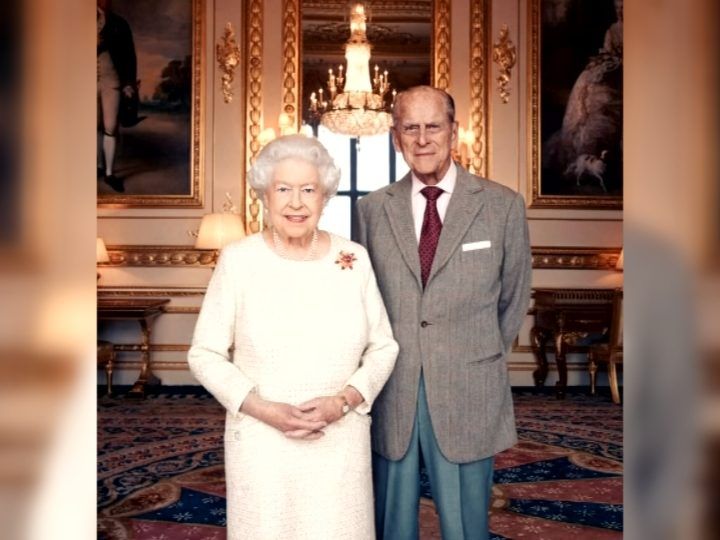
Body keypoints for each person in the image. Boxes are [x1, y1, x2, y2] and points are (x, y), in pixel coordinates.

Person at [188, 134, 398, 539]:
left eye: (308, 190)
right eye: (283, 189)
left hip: (339, 438)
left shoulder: (352, 260)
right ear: (265, 196)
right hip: (261, 440)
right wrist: (263, 408)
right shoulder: (239, 260)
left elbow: (383, 346)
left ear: (325, 197)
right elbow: (205, 353)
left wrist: (344, 401)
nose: (296, 203)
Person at [357, 85, 532, 539]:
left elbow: (513, 299)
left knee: (465, 524)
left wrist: (474, 351)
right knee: (390, 520)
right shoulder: (371, 210)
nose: (422, 139)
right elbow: (363, 299)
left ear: (454, 132)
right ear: (396, 136)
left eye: (433, 126)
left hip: (467, 384)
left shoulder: (502, 205)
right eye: (409, 128)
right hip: (393, 385)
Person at [97, 0, 137, 193]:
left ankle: (110, 173)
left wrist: (129, 82)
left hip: (110, 79)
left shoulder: (118, 24)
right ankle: (97, 166)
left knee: (110, 126)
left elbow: (129, 55)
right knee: (92, 125)